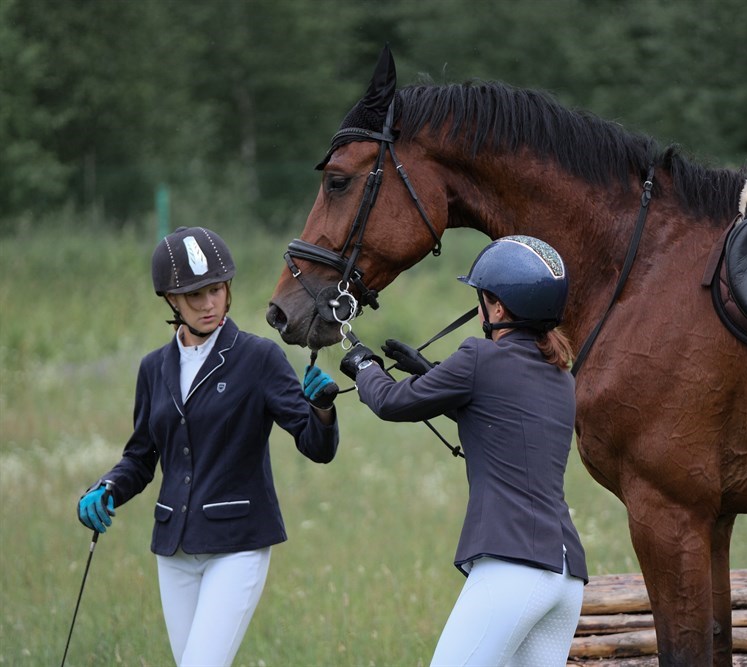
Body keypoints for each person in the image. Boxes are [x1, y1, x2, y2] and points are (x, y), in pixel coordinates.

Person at [76, 226, 340, 667]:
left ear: (228, 288)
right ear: (171, 300)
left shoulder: (259, 358)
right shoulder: (153, 368)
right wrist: (106, 488)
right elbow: (140, 458)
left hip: (237, 545)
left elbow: (316, 445)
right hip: (174, 550)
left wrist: (323, 411)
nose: (207, 303)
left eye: (215, 289)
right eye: (193, 294)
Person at [340, 235, 587, 667]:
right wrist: (430, 373)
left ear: (497, 307)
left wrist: (364, 366)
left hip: (513, 566)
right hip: (565, 578)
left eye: (481, 298)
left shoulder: (478, 356)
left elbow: (391, 403)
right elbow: (501, 419)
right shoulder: (561, 377)